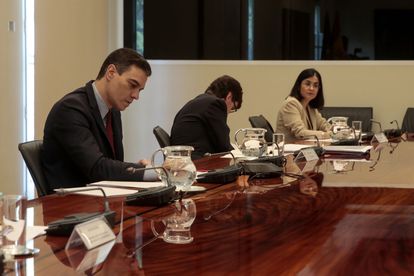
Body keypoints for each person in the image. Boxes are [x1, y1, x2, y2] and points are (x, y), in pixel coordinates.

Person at [41, 48, 153, 191]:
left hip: (102, 201)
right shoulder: (70, 109)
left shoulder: (113, 111)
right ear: (111, 73)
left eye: (140, 90)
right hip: (69, 207)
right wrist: (148, 171)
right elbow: (96, 168)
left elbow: (111, 165)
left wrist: (140, 170)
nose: (136, 96)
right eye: (132, 85)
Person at [170, 75, 243, 159]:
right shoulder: (215, 104)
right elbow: (224, 145)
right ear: (229, 97)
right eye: (233, 108)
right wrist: (241, 154)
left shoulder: (202, 101)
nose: (229, 112)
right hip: (195, 161)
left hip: (183, 159)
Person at [276, 68, 331, 142]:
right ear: (299, 86)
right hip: (288, 151)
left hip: (305, 150)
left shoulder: (310, 106)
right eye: (307, 84)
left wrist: (338, 131)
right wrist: (326, 135)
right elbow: (300, 133)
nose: (311, 88)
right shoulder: (291, 104)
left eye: (315, 85)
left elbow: (324, 125)